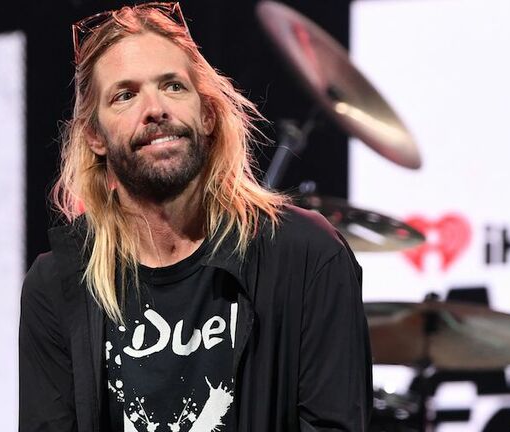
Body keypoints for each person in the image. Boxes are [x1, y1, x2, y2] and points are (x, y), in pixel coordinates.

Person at [19, 3, 372, 431]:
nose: (155, 108)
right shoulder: (59, 283)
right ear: (95, 135)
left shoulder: (307, 256)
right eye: (125, 95)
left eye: (173, 86)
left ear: (207, 114)